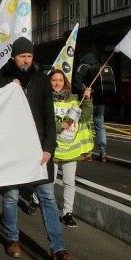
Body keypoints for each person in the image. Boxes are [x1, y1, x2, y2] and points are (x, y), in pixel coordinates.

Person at [0, 37, 80, 260]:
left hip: (39, 151)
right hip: (12, 150)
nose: (26, 61)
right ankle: (12, 239)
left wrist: (49, 148)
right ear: (14, 57)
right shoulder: (1, 78)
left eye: (30, 56)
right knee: (11, 196)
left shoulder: (41, 79)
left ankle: (58, 249)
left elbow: (49, 117)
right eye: (22, 56)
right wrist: (8, 90)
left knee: (48, 198)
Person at [49, 69, 94, 228]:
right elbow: (43, 122)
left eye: (60, 80)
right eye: (54, 80)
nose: (57, 83)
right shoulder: (46, 100)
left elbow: (85, 116)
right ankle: (38, 200)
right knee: (49, 181)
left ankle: (67, 213)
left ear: (65, 83)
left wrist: (87, 99)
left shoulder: (74, 100)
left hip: (70, 150)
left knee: (69, 182)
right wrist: (59, 126)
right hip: (51, 149)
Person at [72, 53, 108, 161]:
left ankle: (88, 152)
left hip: (88, 101)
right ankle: (103, 152)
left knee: (86, 126)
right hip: (101, 101)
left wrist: (84, 92)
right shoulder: (100, 66)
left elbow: (76, 84)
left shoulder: (82, 67)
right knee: (100, 125)